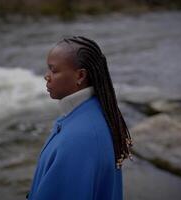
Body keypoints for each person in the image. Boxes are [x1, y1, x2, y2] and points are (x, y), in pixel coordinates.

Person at [27, 36, 133, 200]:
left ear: (80, 76)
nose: (46, 76)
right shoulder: (91, 112)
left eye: (54, 70)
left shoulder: (80, 138)